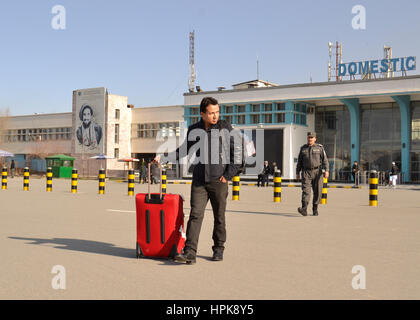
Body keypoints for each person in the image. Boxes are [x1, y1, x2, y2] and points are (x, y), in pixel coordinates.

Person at [154, 97, 240, 264]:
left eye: (217, 112)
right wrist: (164, 157)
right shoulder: (194, 129)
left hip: (219, 180)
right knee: (195, 215)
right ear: (202, 114)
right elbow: (184, 150)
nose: (215, 116)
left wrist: (228, 176)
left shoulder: (225, 128)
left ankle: (218, 248)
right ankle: (190, 252)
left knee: (219, 216)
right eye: (211, 113)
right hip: (200, 180)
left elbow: (236, 152)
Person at [296, 132, 329, 216]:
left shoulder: (320, 148)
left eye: (312, 137)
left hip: (318, 172)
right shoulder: (303, 148)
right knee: (306, 191)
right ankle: (304, 209)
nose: (310, 139)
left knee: (317, 191)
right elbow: (299, 162)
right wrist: (297, 172)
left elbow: (325, 160)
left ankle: (315, 208)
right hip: (306, 172)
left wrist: (327, 170)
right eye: (309, 137)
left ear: (315, 139)